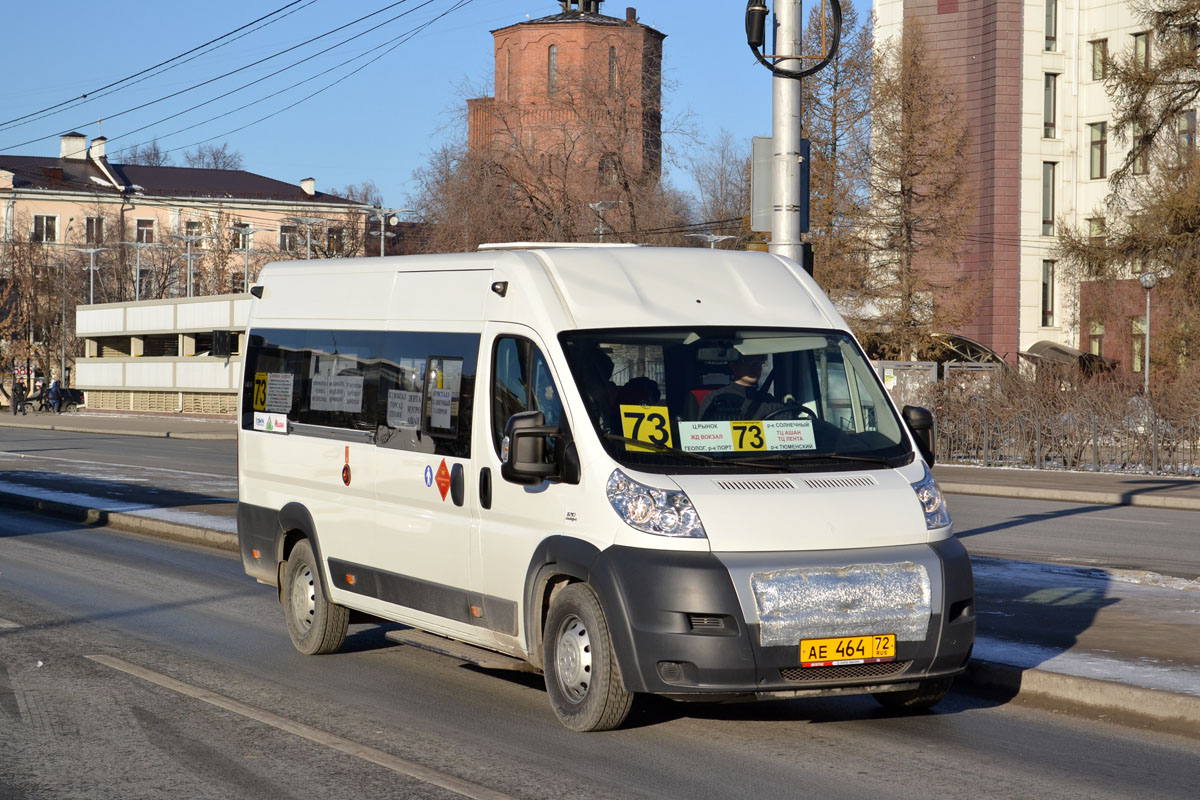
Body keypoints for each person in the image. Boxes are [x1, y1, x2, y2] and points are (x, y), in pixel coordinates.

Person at [697, 353, 782, 420]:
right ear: (733, 365)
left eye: (758, 362)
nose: (754, 367)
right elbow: (704, 435)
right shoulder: (715, 398)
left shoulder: (770, 402)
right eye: (748, 362)